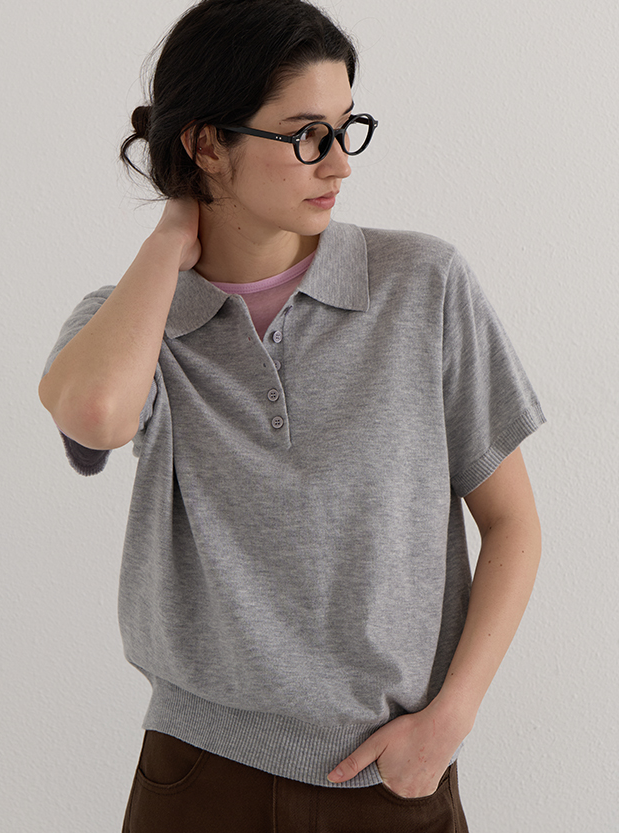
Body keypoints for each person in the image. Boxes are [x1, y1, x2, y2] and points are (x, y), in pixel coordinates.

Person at [39, 0, 545, 830]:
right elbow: (96, 415)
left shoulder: (423, 284)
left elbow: (513, 522)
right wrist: (169, 238)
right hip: (197, 773)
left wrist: (450, 720)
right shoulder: (132, 320)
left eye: (347, 128)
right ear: (208, 145)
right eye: (307, 134)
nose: (339, 163)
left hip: (393, 775)